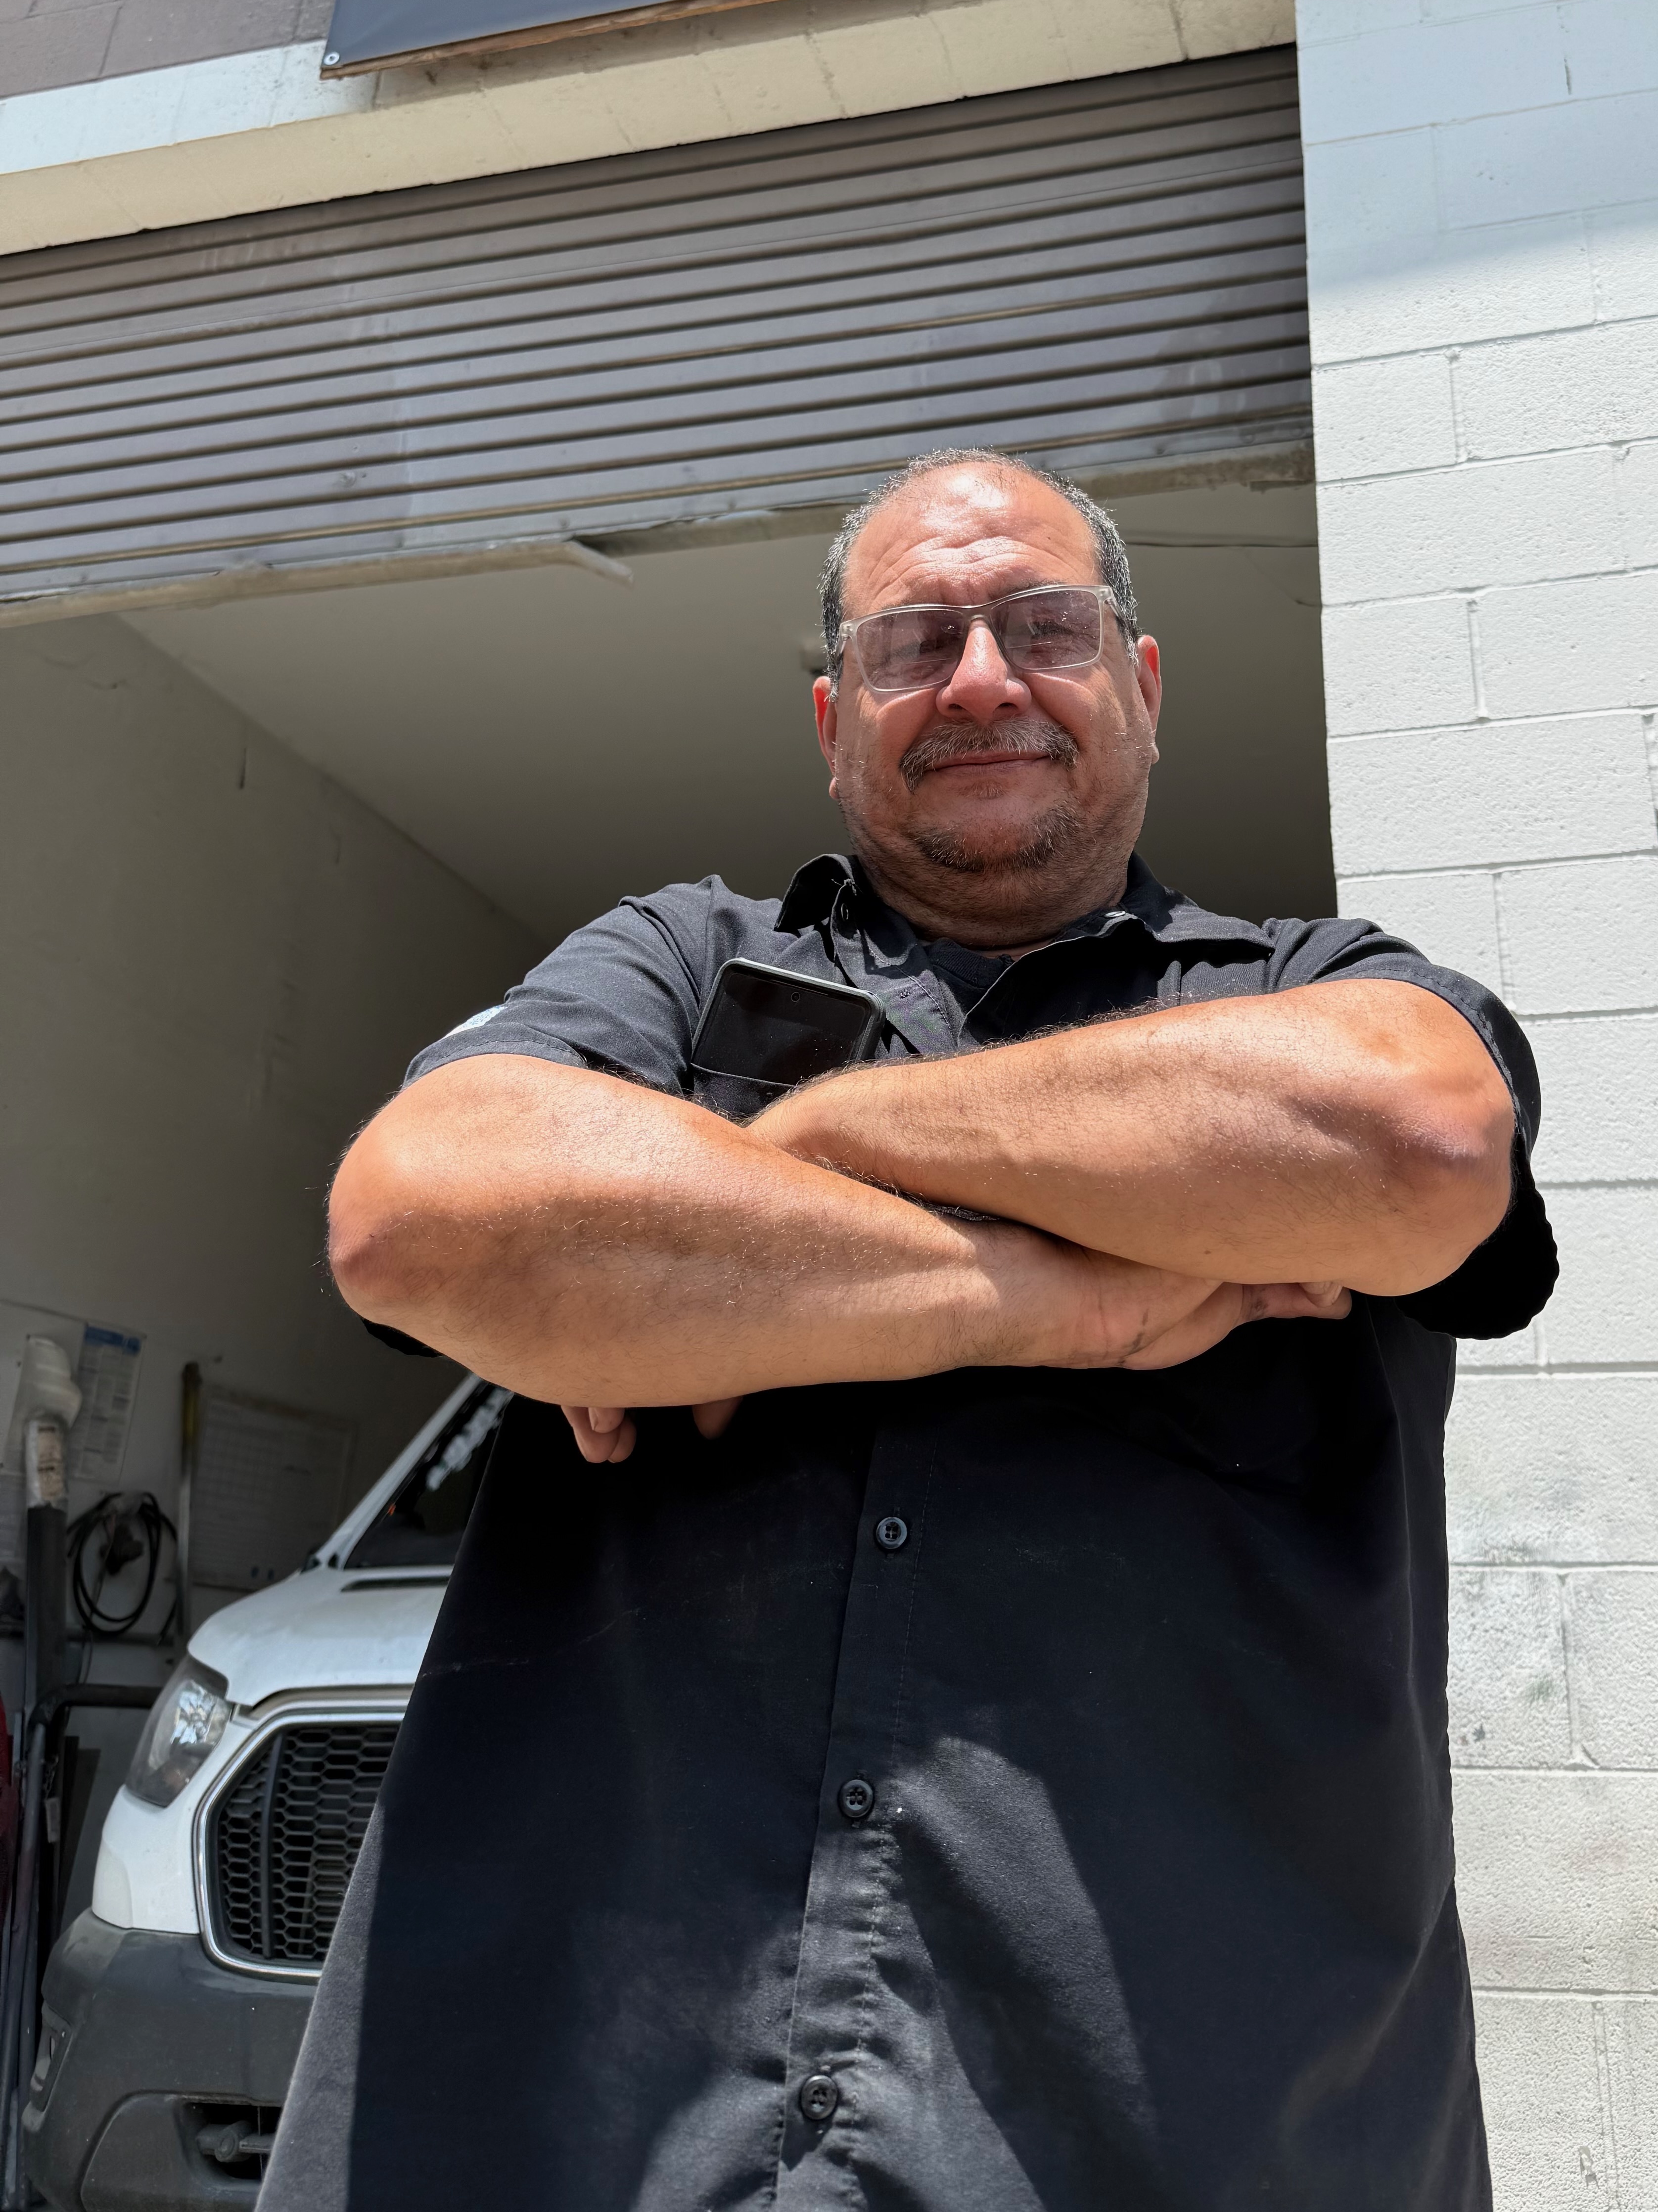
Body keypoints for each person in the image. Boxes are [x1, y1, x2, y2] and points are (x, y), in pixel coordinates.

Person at [265, 449, 1558, 2212]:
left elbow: (1411, 1143)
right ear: (832, 714)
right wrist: (1057, 1302)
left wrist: (787, 1153)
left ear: (1141, 685)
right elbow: (424, 1213)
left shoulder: (1308, 989)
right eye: (912, 639)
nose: (979, 678)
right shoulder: (674, 963)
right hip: (582, 2123)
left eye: (1044, 625)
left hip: (1205, 2130)